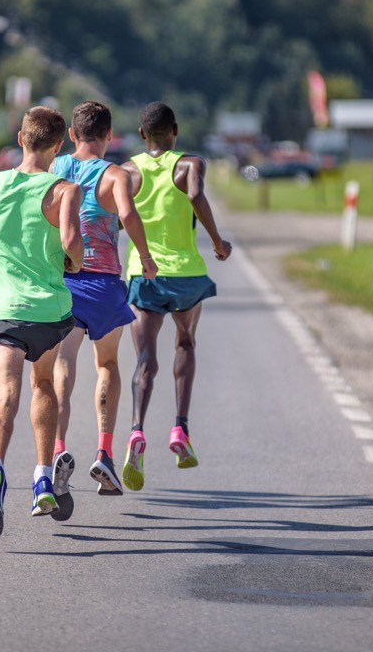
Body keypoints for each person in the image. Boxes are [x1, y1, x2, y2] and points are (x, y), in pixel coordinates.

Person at [0, 106, 84, 537]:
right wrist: (74, 261)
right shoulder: (64, 190)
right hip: (47, 311)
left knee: (4, 398)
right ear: (59, 146)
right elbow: (71, 241)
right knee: (43, 385)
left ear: (20, 139)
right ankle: (43, 480)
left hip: (4, 311)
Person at [48, 101, 158, 520]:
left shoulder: (56, 169)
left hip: (64, 281)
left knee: (62, 364)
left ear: (72, 135)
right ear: (109, 135)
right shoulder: (114, 175)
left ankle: (58, 450)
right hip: (105, 283)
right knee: (107, 364)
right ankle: (104, 453)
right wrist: (145, 257)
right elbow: (127, 214)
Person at [119, 101, 232, 492]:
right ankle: (180, 429)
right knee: (185, 342)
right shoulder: (190, 164)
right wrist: (217, 242)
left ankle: (136, 430)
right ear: (176, 130)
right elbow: (197, 197)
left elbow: (118, 218)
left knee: (144, 358)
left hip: (144, 273)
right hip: (185, 274)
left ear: (142, 134)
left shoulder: (127, 171)